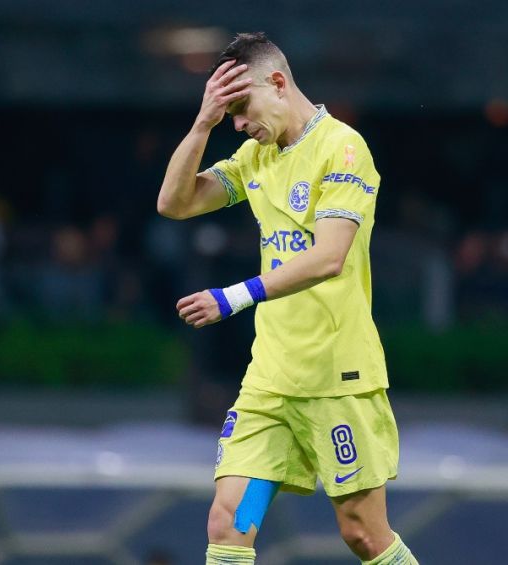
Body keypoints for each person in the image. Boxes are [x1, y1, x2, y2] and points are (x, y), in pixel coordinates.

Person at [156, 33, 418, 565]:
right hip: (270, 386)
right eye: (226, 113)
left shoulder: (344, 148)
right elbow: (174, 203)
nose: (238, 124)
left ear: (277, 83)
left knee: (363, 535)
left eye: (240, 108)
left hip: (336, 380)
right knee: (230, 525)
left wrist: (232, 297)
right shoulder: (255, 157)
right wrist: (201, 124)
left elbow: (328, 257)